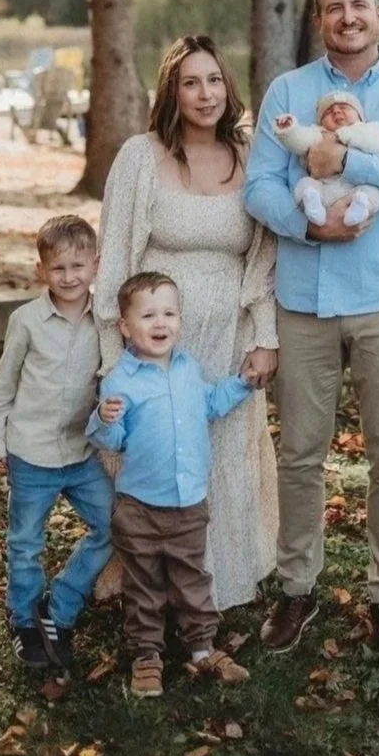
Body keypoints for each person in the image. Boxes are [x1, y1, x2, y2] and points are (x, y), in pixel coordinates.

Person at [244, 0, 379, 660]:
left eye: (359, 4)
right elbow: (259, 187)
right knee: (300, 452)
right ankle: (296, 587)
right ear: (319, 19)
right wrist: (310, 227)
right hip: (304, 300)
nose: (348, 17)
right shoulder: (287, 91)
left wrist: (350, 163)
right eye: (334, 7)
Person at [94, 35, 278, 611]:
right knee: (158, 457)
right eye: (191, 82)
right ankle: (156, 588)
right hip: (154, 340)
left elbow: (265, 259)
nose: (205, 94)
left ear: (229, 86)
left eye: (215, 80)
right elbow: (115, 259)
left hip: (229, 337)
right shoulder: (140, 156)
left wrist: (266, 336)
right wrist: (112, 360)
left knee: (224, 454)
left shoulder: (252, 156)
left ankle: (222, 582)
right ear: (171, 92)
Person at [87, 272, 256, 697]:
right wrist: (103, 420)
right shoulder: (119, 381)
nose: (160, 322)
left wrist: (242, 383)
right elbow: (113, 441)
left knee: (191, 579)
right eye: (148, 316)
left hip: (189, 503)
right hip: (139, 507)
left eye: (169, 313)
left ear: (180, 319)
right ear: (125, 327)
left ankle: (201, 648)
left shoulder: (188, 369)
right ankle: (146, 656)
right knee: (143, 585)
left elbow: (211, 404)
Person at [0, 215, 119, 673]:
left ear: (96, 266)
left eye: (78, 266)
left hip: (81, 453)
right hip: (32, 453)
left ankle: (59, 603)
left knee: (114, 525)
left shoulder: (105, 321)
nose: (69, 277)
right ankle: (24, 621)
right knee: (25, 542)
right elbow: (3, 385)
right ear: (41, 270)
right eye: (58, 268)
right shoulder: (26, 321)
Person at [273, 89, 379, 227]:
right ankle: (312, 204)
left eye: (344, 107)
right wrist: (289, 130)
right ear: (321, 123)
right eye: (328, 112)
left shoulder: (368, 129)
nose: (336, 112)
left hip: (357, 188)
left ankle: (360, 207)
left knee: (375, 195)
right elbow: (300, 141)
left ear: (359, 116)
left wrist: (349, 135)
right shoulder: (319, 134)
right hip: (324, 189)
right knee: (304, 185)